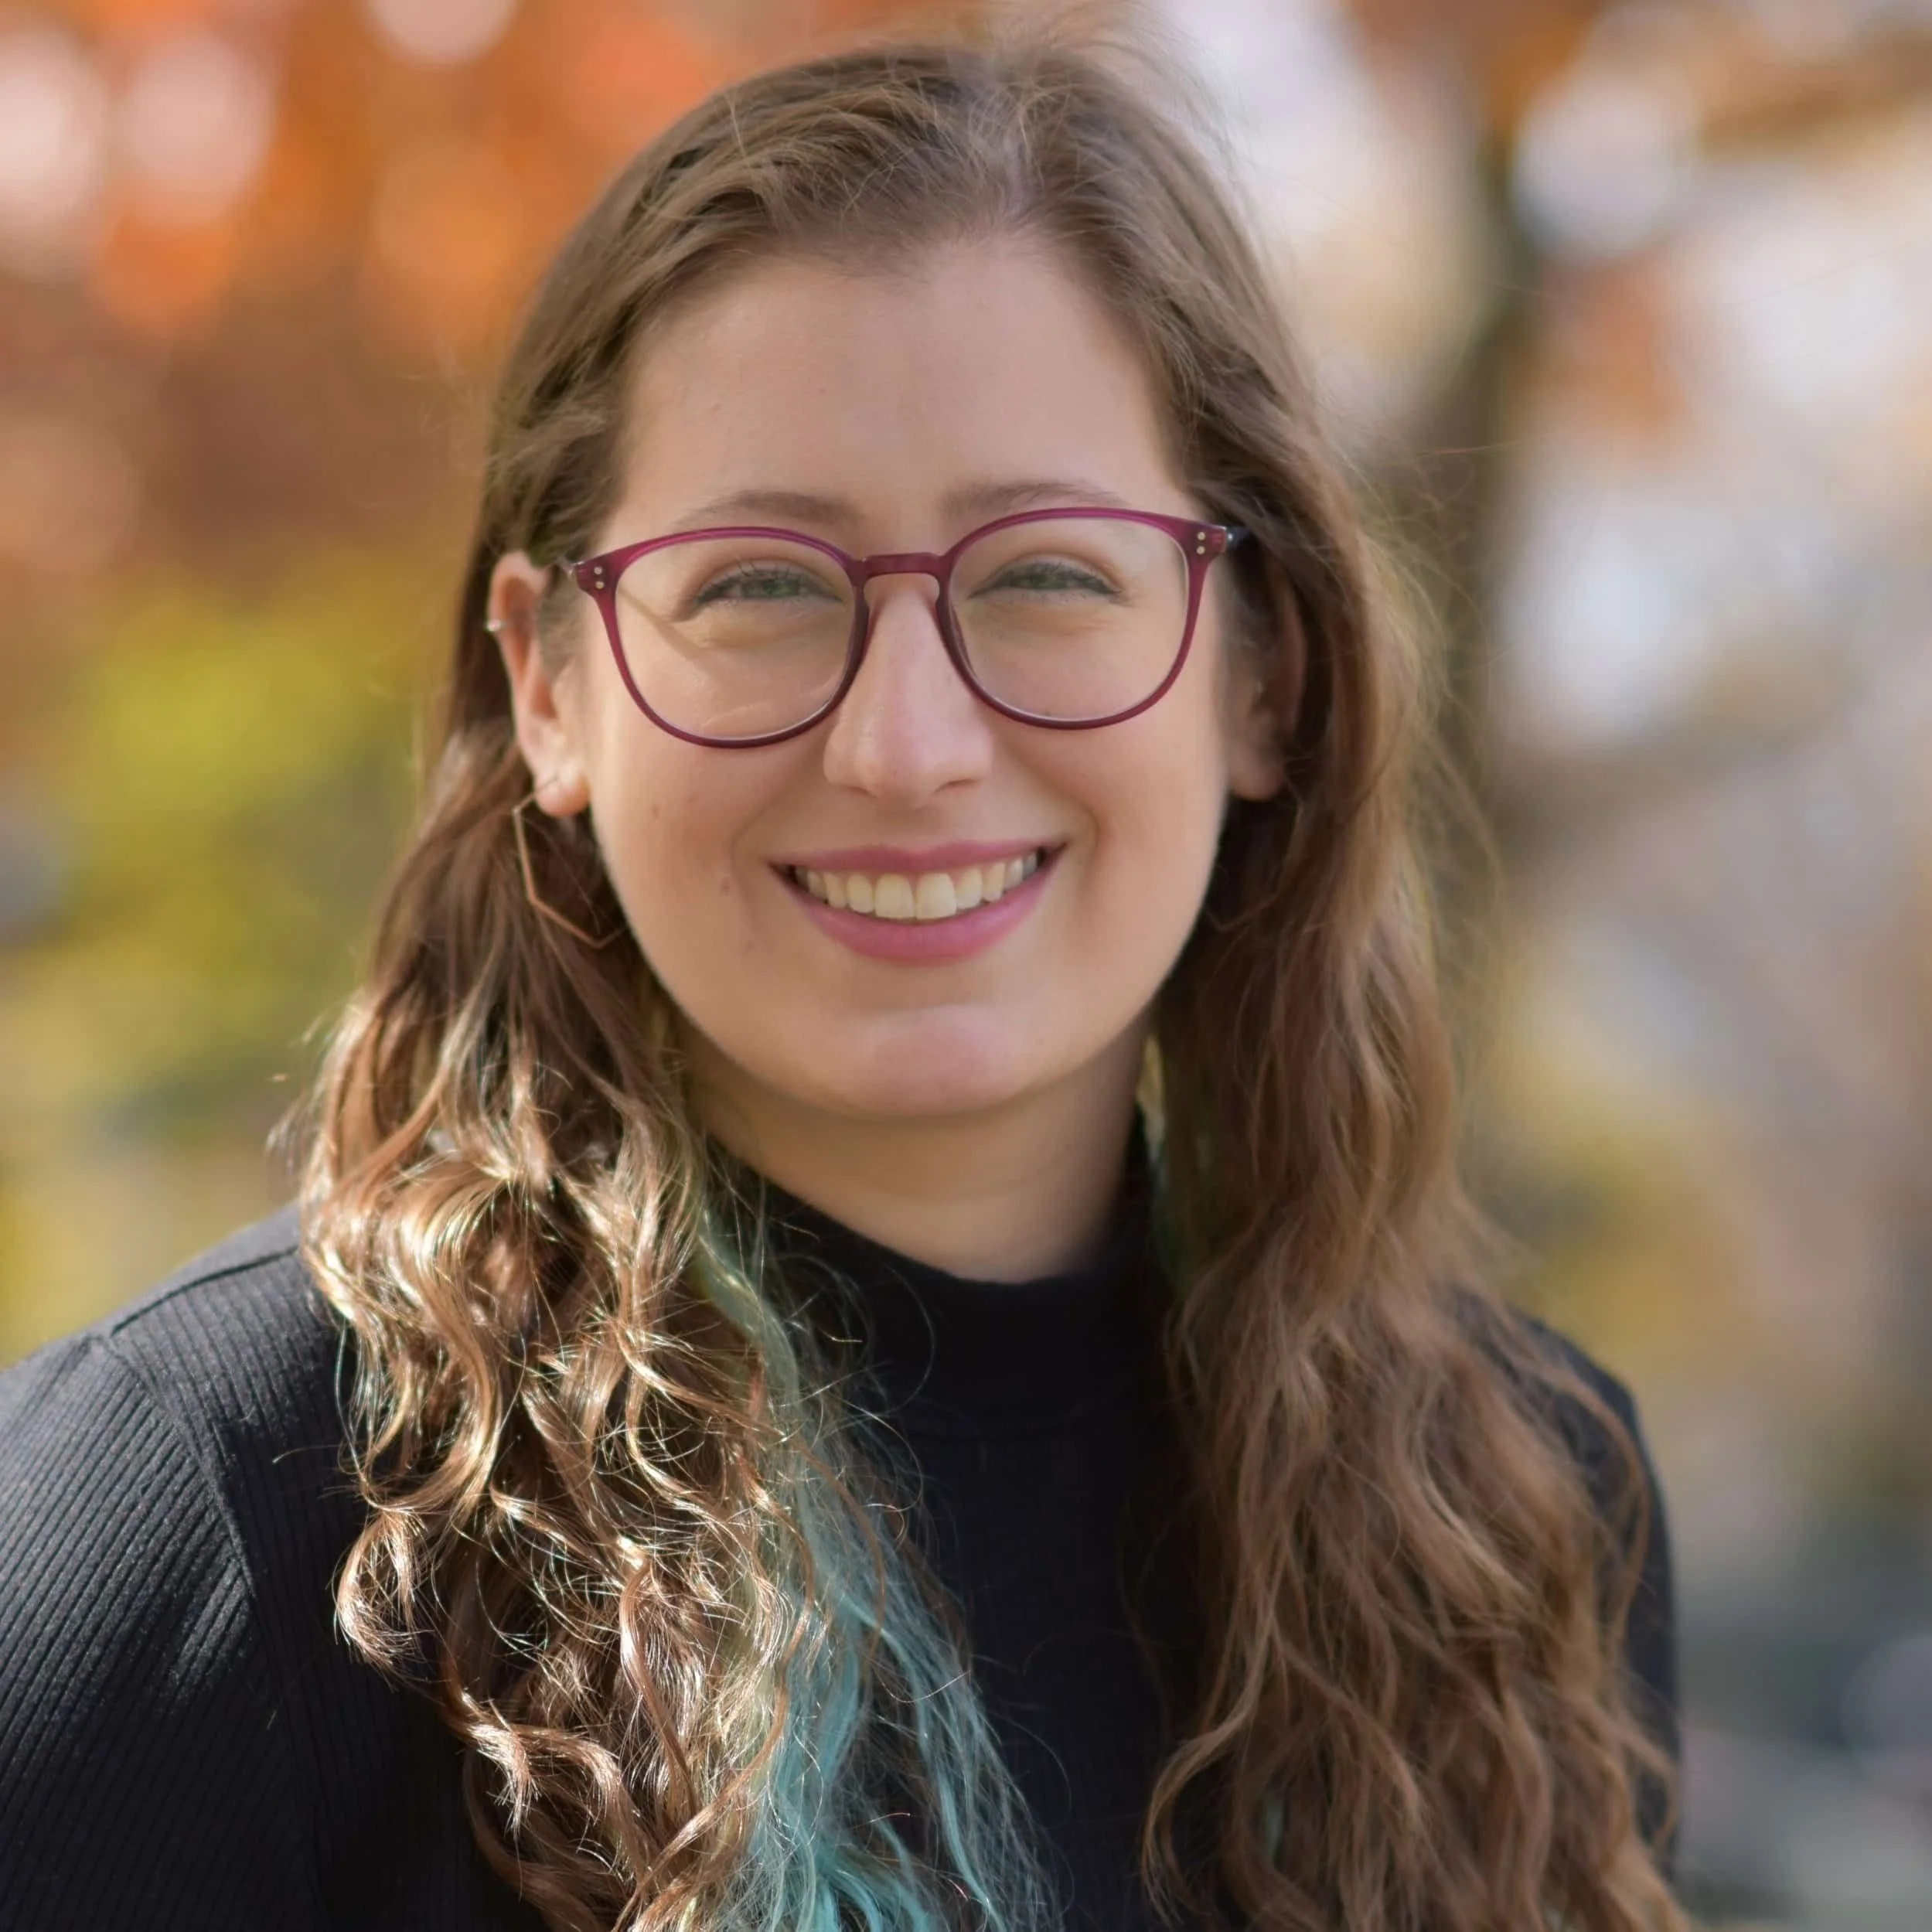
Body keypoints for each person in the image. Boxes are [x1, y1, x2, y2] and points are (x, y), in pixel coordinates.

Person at [0, 34, 1685, 1932]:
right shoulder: (217, 1514)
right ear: (550, 682)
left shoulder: (1521, 1520)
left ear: (1264, 676)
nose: (905, 743)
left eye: (1046, 574)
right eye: (760, 584)